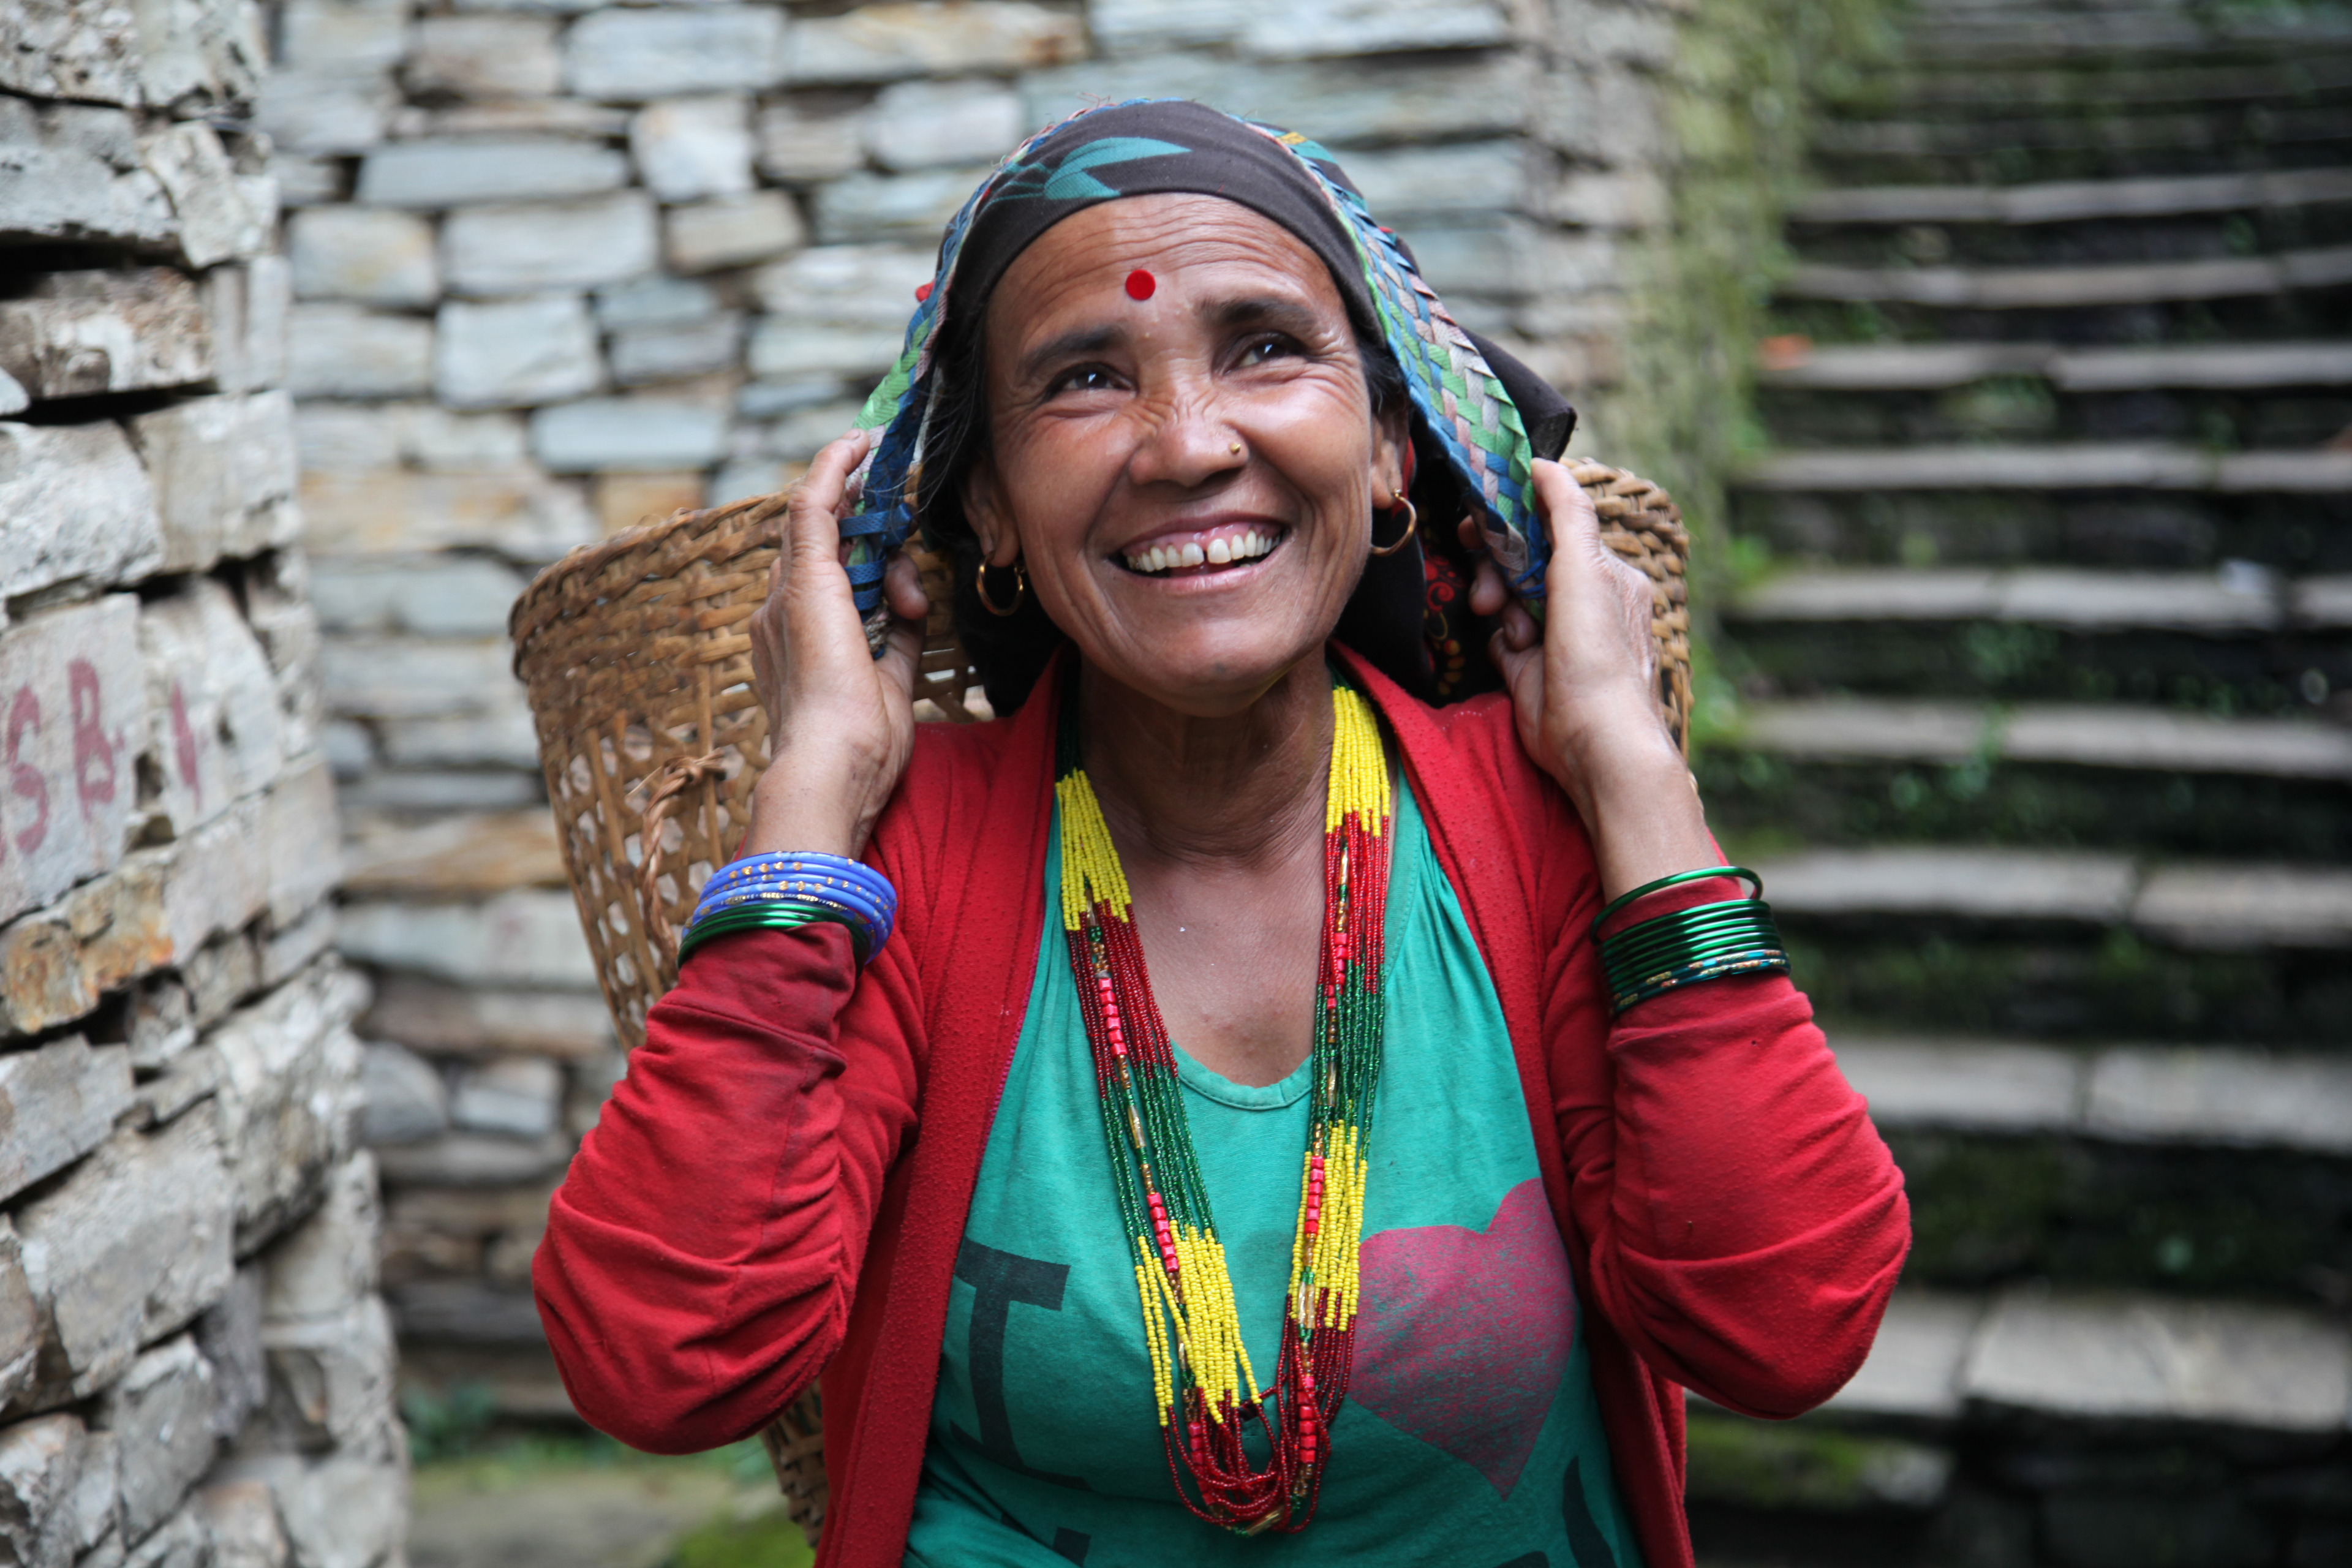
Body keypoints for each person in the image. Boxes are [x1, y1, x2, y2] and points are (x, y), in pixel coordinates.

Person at [533, 100, 1908, 1568]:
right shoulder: (905, 862)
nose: (1188, 444)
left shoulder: (1532, 824)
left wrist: (1633, 771)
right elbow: (664, 1363)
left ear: (1390, 446)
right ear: (988, 502)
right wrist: (810, 789)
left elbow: (1786, 1326)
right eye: (1083, 378)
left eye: (1265, 345)